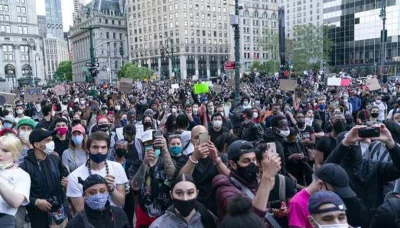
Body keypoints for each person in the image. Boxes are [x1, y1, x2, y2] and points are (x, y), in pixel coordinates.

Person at [213, 140, 281, 226]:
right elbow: (250, 221)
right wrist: (266, 180)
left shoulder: (253, 182)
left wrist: (271, 211)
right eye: (246, 161)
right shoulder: (225, 190)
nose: (252, 164)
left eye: (254, 160)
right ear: (233, 164)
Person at [66, 131, 128, 213]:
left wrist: (112, 189)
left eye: (103, 147)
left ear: (108, 150)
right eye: (95, 147)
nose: (99, 151)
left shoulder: (117, 168)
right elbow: (80, 211)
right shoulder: (74, 177)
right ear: (88, 149)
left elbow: (121, 202)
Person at [20, 129, 69, 228]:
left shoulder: (54, 159)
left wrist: (66, 182)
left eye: (51, 140)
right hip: (39, 216)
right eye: (47, 140)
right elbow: (19, 194)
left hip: (59, 211)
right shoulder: (24, 166)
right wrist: (35, 202)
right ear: (37, 145)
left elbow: (64, 175)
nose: (51, 143)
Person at [129, 130, 178, 227]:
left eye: (155, 143)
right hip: (144, 215)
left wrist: (164, 149)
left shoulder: (167, 161)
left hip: (166, 214)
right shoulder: (137, 164)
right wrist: (145, 163)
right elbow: (135, 186)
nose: (152, 146)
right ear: (143, 146)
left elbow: (172, 175)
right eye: (148, 143)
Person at [179, 125, 230, 215]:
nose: (200, 140)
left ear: (208, 138)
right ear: (192, 141)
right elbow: (181, 180)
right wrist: (194, 157)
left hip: (215, 206)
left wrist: (216, 160)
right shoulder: (185, 159)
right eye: (196, 138)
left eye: (203, 136)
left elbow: (230, 179)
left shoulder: (219, 157)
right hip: (194, 207)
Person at [287, 163, 357, 228]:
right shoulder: (297, 203)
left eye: (341, 217)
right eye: (335, 192)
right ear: (321, 185)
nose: (337, 197)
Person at [149, 174, 218, 228]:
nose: (185, 198)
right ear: (171, 194)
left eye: (190, 193)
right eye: (179, 193)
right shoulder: (158, 225)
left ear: (197, 193)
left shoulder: (209, 218)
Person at [65, 174, 130, 228]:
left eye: (102, 191)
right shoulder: (75, 224)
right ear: (84, 195)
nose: (98, 196)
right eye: (92, 193)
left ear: (107, 192)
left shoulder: (119, 213)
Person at [0, 135, 31, 228]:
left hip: (4, 219)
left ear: (15, 153)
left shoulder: (22, 175)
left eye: (5, 151)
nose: (0, 153)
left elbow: (16, 202)